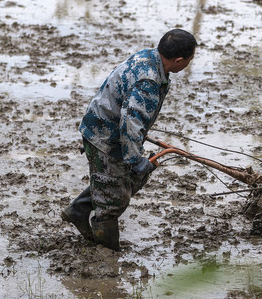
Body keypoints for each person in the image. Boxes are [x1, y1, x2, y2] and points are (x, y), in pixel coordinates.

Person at [61, 29, 197, 251]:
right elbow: (130, 123)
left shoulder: (149, 57)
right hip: (105, 137)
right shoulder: (149, 81)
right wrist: (135, 159)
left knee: (115, 183)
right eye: (190, 60)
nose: (188, 64)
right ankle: (107, 255)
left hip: (106, 127)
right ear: (179, 60)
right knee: (113, 201)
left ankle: (78, 210)